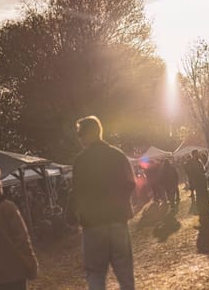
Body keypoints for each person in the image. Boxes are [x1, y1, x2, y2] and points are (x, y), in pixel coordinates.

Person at [72, 116, 136, 290]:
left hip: (93, 224)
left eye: (80, 134)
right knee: (125, 273)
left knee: (95, 273)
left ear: (87, 134)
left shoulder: (81, 160)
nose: (79, 138)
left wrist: (78, 214)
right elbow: (130, 183)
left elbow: (76, 192)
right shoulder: (117, 154)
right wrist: (119, 204)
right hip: (117, 221)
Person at [188, 149, 209, 220]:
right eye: (197, 153)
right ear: (194, 154)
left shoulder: (198, 161)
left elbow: (201, 171)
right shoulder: (193, 162)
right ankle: (202, 211)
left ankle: (207, 210)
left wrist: (204, 171)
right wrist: (203, 173)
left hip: (201, 181)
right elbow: (195, 173)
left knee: (204, 195)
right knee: (200, 196)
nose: (199, 154)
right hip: (198, 182)